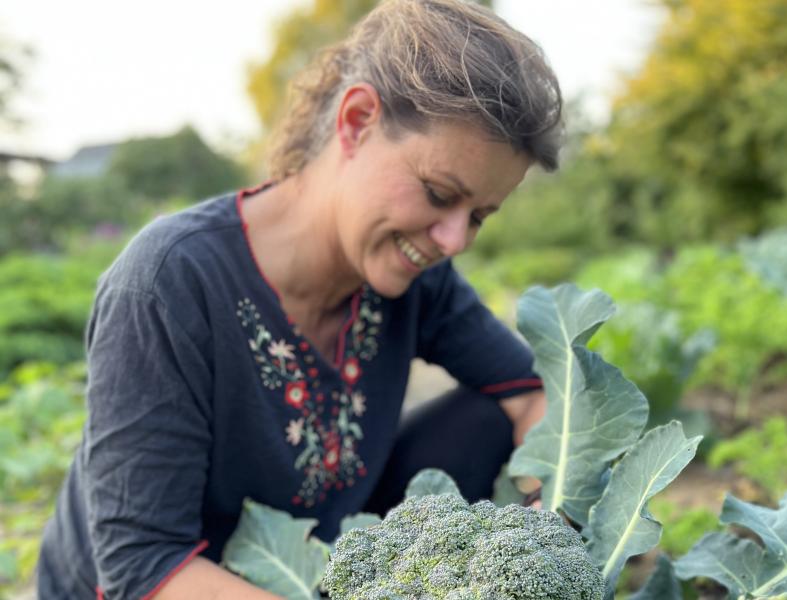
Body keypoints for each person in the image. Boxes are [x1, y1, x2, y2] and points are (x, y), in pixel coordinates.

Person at [37, 0, 562, 598]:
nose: (454, 240)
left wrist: (552, 507)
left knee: (487, 413)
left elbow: (531, 395)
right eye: (440, 193)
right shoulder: (170, 281)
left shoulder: (416, 276)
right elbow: (144, 569)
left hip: (316, 568)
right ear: (358, 120)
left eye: (480, 218)